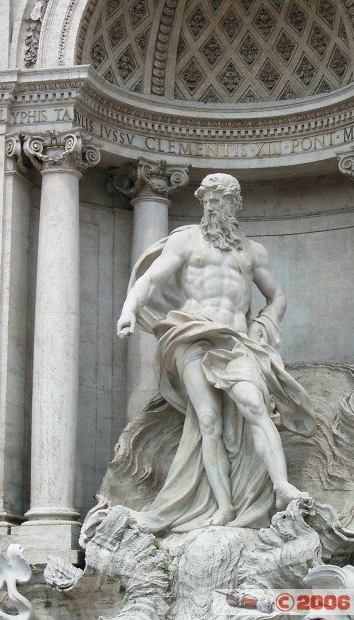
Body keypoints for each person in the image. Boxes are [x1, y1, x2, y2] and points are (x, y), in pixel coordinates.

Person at [117, 173, 316, 533]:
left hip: (236, 340)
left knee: (255, 405)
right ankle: (223, 506)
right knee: (208, 421)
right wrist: (129, 310)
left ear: (234, 204)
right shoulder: (186, 241)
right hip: (192, 335)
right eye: (206, 200)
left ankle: (281, 486)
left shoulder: (253, 251)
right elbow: (151, 279)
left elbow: (277, 296)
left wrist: (264, 322)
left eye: (218, 200)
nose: (211, 206)